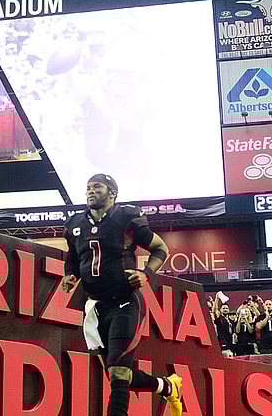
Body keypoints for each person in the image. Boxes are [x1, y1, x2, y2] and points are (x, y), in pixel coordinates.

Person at [62, 174, 182, 416]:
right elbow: (73, 258)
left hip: (125, 302)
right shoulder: (75, 224)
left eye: (97, 187)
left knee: (118, 372)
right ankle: (167, 386)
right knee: (118, 375)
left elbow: (160, 248)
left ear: (112, 193)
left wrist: (146, 273)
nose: (91, 191)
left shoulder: (125, 218)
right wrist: (70, 275)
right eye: (88, 187)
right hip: (96, 307)